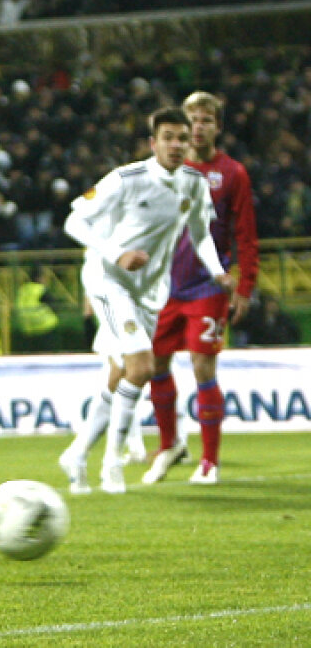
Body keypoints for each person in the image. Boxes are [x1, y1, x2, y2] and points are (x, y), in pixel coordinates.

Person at [58, 107, 234, 495]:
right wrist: (116, 252)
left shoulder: (193, 182)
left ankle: (77, 453)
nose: (175, 145)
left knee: (124, 374)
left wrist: (216, 270)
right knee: (140, 366)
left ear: (190, 144)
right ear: (153, 143)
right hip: (110, 279)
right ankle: (111, 466)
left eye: (181, 139)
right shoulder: (126, 179)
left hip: (151, 291)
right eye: (167, 138)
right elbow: (74, 220)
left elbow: (201, 233)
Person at [142, 91, 258, 486]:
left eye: (206, 119)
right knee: (156, 365)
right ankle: (170, 444)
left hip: (208, 285)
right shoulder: (166, 169)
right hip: (163, 287)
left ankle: (210, 461)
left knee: (201, 366)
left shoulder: (233, 174)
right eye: (192, 118)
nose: (198, 126)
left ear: (217, 126)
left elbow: (247, 235)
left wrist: (244, 286)